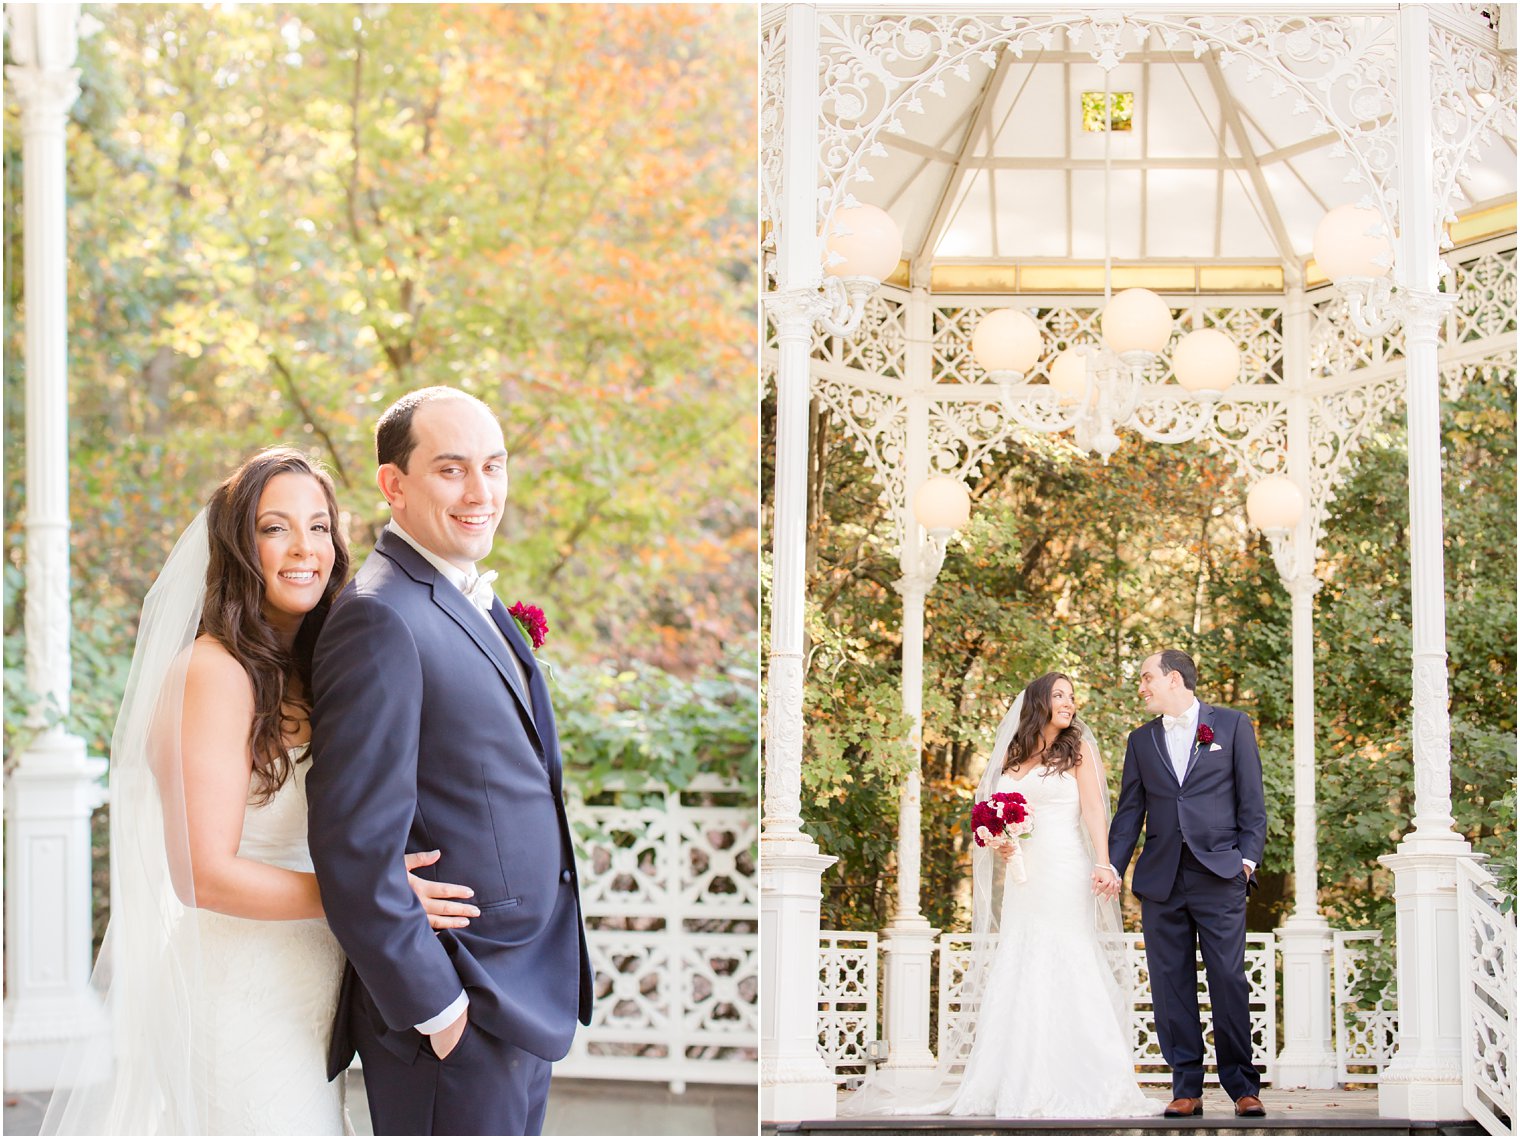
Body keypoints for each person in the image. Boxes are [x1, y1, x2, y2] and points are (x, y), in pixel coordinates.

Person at [41, 448, 479, 1136]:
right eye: (275, 528)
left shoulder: (316, 665)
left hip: (311, 996)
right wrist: (372, 895)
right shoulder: (212, 672)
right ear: (239, 546)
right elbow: (200, 874)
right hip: (236, 995)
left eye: (318, 526)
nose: (304, 547)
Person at [307, 386, 594, 1136]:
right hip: (458, 1005)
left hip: (517, 997)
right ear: (393, 485)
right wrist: (439, 1010)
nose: (482, 492)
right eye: (452, 469)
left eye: (494, 466)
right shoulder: (379, 616)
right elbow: (354, 844)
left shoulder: (466, 600)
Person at [840, 673, 1162, 1119]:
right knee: (1021, 957)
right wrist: (999, 839)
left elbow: (1093, 809)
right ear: (1038, 704)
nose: (1069, 703)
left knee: (1069, 955)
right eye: (1060, 696)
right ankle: (1013, 1076)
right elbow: (993, 819)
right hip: (1022, 876)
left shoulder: (1077, 750)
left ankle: (1087, 1078)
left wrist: (1105, 863)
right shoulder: (1012, 755)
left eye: (1072, 696)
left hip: (1066, 868)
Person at [1108, 648, 1267, 1119]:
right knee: (1169, 985)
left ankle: (1243, 1086)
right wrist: (1114, 869)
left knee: (1228, 979)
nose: (1141, 687)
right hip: (1161, 879)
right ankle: (1186, 1087)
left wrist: (1246, 861)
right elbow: (1129, 811)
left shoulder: (1233, 725)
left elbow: (1252, 801)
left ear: (1173, 679)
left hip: (1219, 874)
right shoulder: (1140, 741)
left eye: (1146, 678)